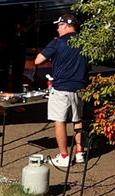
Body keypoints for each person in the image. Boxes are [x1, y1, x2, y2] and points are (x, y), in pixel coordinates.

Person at [33, 14, 87, 169]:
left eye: (58, 25)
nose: (57, 28)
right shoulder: (85, 42)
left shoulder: (57, 43)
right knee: (77, 120)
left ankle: (64, 156)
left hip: (61, 88)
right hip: (80, 87)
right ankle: (79, 152)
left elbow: (38, 60)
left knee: (60, 122)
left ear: (65, 25)